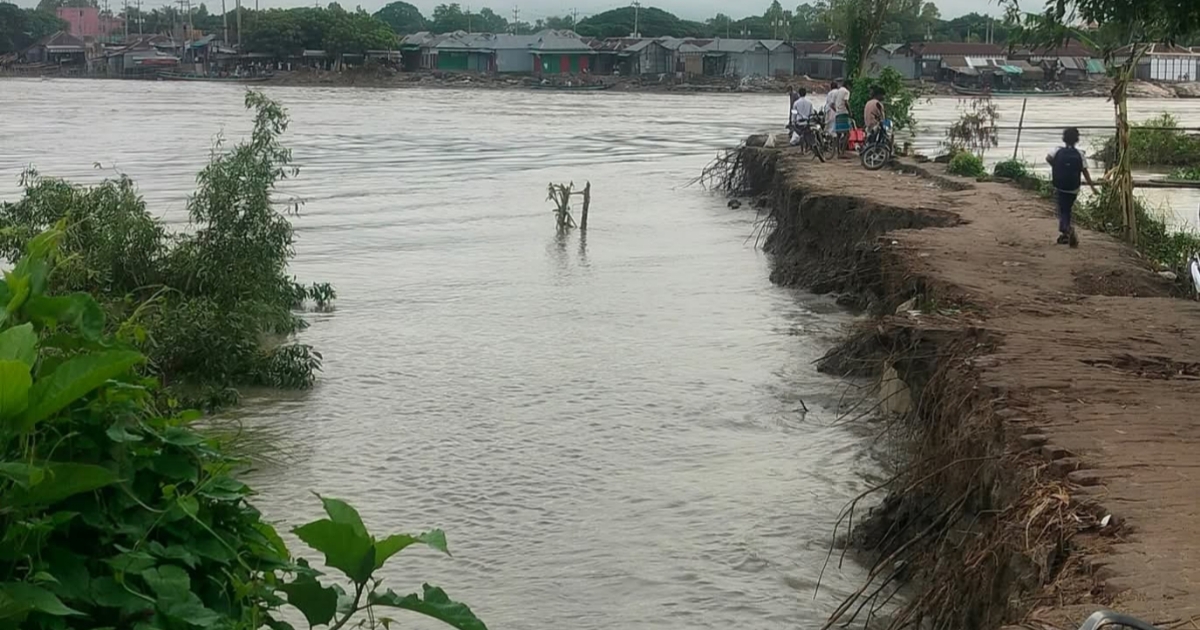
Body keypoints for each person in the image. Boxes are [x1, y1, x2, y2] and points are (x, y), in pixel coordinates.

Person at [1046, 127, 1099, 248]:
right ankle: (1065, 233)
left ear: (1064, 139)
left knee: (1062, 209)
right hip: (1073, 187)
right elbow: (1085, 171)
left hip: (1060, 185)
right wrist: (1092, 187)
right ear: (1076, 139)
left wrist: (1057, 167)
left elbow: (1048, 158)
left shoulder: (1057, 150)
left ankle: (1067, 229)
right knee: (1067, 209)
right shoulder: (1080, 154)